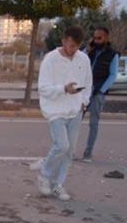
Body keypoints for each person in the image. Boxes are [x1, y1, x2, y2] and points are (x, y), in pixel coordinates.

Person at [36, 26, 92, 200]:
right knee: (62, 145)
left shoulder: (83, 59)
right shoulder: (50, 59)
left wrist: (84, 101)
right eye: (69, 45)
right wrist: (63, 89)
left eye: (76, 46)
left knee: (69, 151)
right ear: (63, 41)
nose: (72, 50)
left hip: (75, 109)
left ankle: (57, 184)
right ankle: (44, 175)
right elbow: (43, 88)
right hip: (55, 110)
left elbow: (88, 83)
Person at [81, 26, 119, 162]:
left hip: (98, 92)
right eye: (94, 37)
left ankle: (88, 152)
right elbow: (79, 60)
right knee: (75, 120)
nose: (96, 40)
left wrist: (101, 90)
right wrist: (88, 48)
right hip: (83, 90)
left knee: (93, 123)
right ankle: (69, 150)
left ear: (106, 38)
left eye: (99, 38)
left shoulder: (113, 54)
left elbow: (113, 75)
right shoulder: (91, 51)